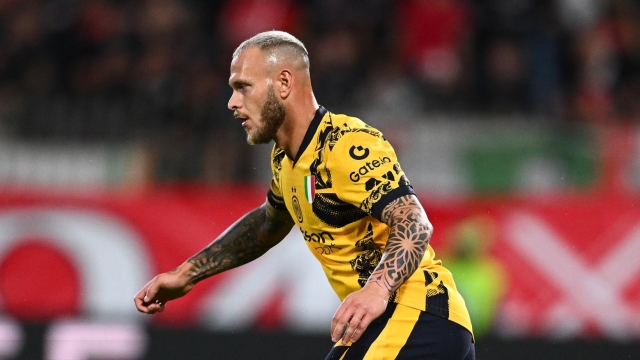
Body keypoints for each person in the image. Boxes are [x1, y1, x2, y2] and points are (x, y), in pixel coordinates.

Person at [134, 30, 475, 360]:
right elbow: (268, 225)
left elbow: (414, 222)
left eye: (243, 87)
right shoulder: (285, 159)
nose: (232, 102)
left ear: (283, 83)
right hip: (400, 324)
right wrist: (186, 274)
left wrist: (376, 289)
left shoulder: (346, 144)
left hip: (416, 315)